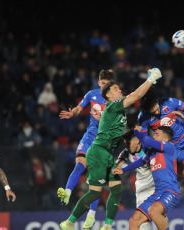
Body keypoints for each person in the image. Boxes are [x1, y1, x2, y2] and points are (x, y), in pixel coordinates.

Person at [59, 67, 163, 230]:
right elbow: (136, 95)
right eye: (115, 89)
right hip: (98, 152)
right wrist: (151, 79)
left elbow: (117, 130)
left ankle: (107, 226)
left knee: (117, 189)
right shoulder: (113, 105)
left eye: (118, 87)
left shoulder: (117, 109)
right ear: (108, 95)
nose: (119, 90)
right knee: (94, 192)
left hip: (107, 153)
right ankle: (69, 222)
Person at [57, 69, 113, 229]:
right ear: (99, 83)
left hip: (103, 141)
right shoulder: (92, 94)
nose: (104, 87)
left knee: (95, 178)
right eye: (102, 83)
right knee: (79, 164)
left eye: (107, 84)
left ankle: (91, 215)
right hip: (89, 136)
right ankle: (67, 194)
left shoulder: (115, 101)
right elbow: (78, 108)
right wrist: (72, 113)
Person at [113, 126, 179, 230]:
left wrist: (135, 131)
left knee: (154, 211)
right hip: (158, 192)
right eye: (154, 133)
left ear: (165, 139)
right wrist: (124, 170)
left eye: (157, 134)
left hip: (170, 190)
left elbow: (146, 140)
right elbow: (142, 161)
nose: (154, 136)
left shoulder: (169, 147)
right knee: (133, 221)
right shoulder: (152, 151)